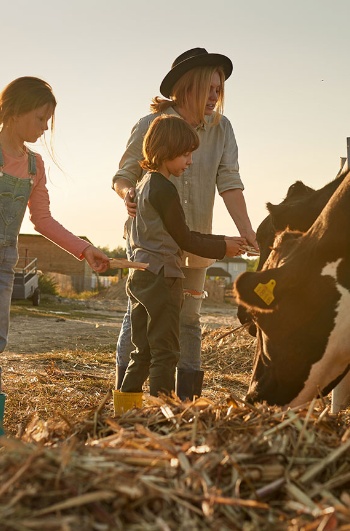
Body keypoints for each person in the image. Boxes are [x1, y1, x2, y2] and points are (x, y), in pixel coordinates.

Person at [112, 47, 258, 400]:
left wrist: (248, 233)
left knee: (189, 319)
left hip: (195, 241)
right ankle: (124, 398)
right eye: (207, 88)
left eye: (218, 89)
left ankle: (185, 405)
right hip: (151, 246)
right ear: (184, 87)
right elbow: (123, 174)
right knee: (141, 324)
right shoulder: (150, 125)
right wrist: (128, 192)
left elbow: (230, 183)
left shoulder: (222, 129)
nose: (214, 97)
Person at [0, 76, 110, 357]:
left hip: (4, 262)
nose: (45, 127)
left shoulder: (34, 166)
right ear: (15, 111)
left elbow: (43, 220)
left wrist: (85, 249)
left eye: (48, 119)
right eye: (40, 118)